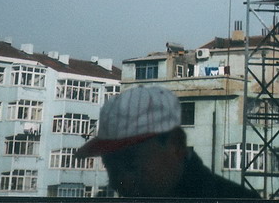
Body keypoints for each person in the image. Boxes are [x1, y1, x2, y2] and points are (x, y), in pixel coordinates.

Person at [76, 84, 259, 199]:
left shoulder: (235, 198)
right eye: (110, 168)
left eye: (130, 164)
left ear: (176, 145)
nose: (118, 181)